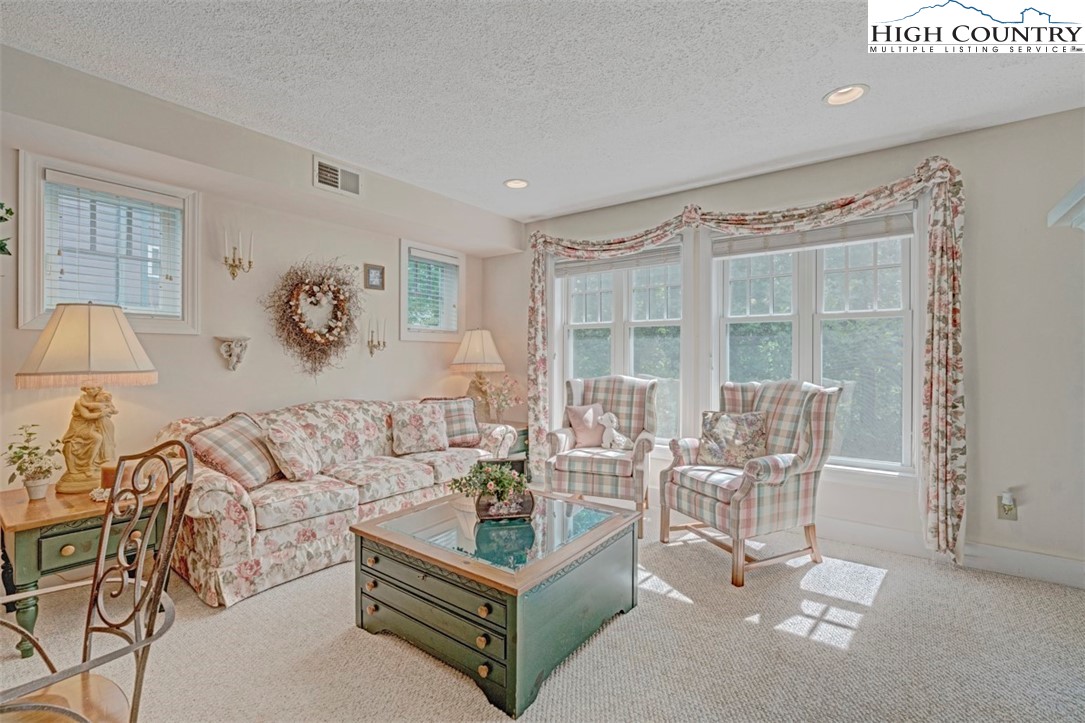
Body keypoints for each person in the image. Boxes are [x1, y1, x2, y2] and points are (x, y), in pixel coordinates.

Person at [60, 385, 118, 481]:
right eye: (88, 388)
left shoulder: (101, 398)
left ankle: (96, 464)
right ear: (84, 390)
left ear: (99, 389)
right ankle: (88, 465)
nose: (91, 390)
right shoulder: (79, 402)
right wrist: (102, 413)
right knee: (97, 438)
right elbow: (86, 415)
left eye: (93, 388)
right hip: (80, 427)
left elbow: (113, 410)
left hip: (93, 426)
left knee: (104, 438)